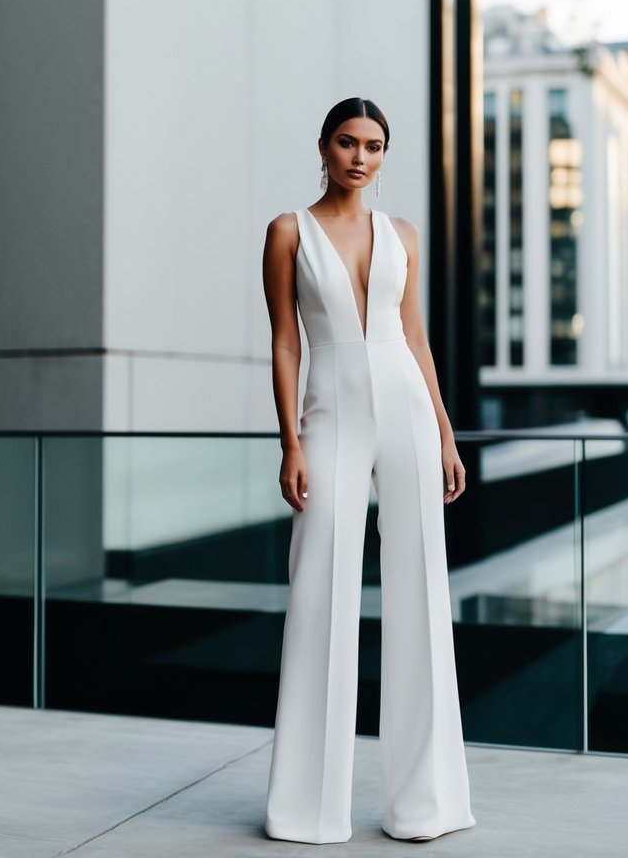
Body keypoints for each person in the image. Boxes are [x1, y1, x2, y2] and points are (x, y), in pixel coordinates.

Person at [261, 96, 477, 844]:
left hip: (407, 408)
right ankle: (305, 809)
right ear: (322, 147)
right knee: (319, 589)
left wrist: (446, 435)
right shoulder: (287, 231)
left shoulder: (402, 234)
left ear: (385, 156)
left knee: (420, 591)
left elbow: (414, 338)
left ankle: (426, 806)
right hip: (330, 413)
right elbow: (286, 343)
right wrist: (289, 440)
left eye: (375, 145)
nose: (360, 156)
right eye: (348, 142)